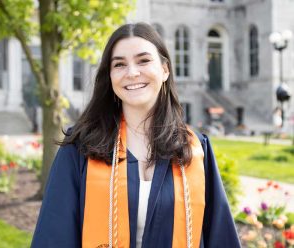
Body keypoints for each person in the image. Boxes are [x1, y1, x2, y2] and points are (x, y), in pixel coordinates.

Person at [31, 22, 240, 248]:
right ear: (109, 77)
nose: (132, 72)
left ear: (165, 70)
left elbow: (219, 237)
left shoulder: (193, 149)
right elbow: (54, 236)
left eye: (143, 60)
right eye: (119, 64)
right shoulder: (81, 148)